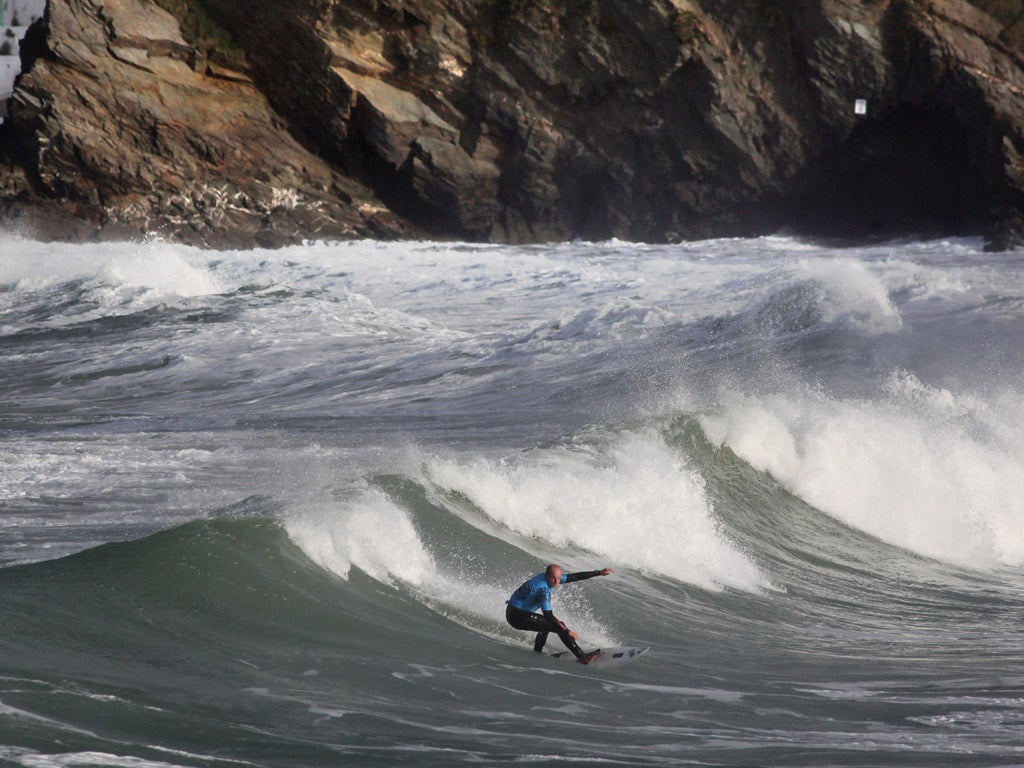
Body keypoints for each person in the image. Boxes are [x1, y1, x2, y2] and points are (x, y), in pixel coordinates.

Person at [506, 564, 613, 664]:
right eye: (554, 578)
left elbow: (574, 577)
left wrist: (598, 572)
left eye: (559, 578)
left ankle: (537, 652)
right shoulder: (543, 589)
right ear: (547, 576)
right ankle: (582, 657)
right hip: (517, 616)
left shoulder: (548, 578)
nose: (557, 582)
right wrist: (568, 632)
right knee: (558, 626)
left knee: (546, 626)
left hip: (513, 610)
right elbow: (548, 616)